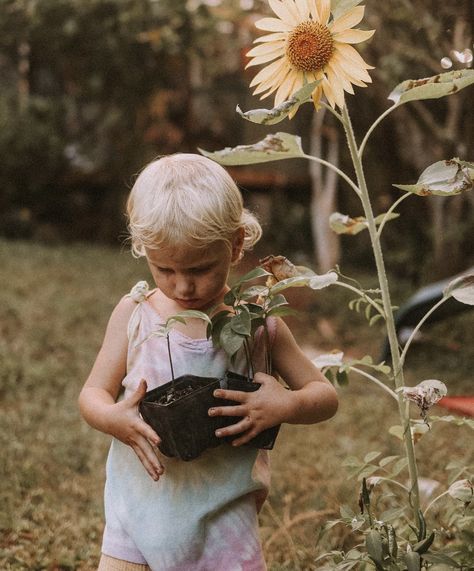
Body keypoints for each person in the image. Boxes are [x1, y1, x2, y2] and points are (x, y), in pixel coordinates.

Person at [79, 153, 338, 571]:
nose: (182, 285)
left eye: (201, 268)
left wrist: (285, 404)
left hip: (224, 524)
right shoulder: (134, 314)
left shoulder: (257, 325)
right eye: (164, 268)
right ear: (144, 250)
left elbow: (325, 396)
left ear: (235, 245)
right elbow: (93, 393)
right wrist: (113, 418)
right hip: (136, 516)